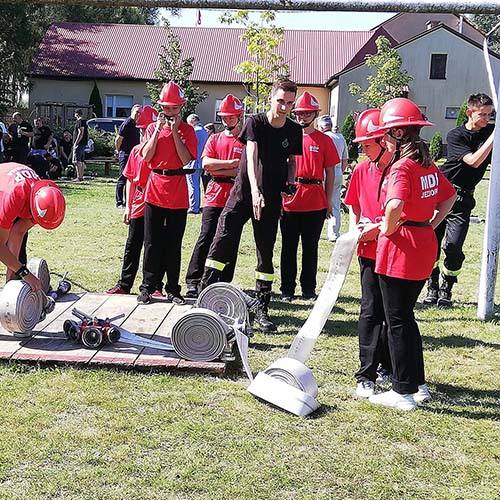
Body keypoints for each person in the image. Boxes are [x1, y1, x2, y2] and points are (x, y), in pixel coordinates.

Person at [367, 98, 456, 411]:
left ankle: (402, 391)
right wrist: (430, 224)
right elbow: (450, 196)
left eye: (387, 134)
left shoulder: (403, 167)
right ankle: (417, 385)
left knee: (397, 321)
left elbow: (393, 206)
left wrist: (386, 231)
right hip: (422, 242)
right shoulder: (427, 163)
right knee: (406, 317)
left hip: (401, 248)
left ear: (398, 135)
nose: (383, 139)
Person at [200, 78, 303, 332]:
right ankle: (204, 302)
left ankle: (262, 309)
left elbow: (292, 161)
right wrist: (256, 192)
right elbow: (252, 157)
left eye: (289, 103)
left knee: (265, 254)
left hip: (271, 200)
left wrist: (290, 181)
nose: (284, 107)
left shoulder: (293, 129)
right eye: (280, 101)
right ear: (271, 98)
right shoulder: (254, 123)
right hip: (243, 195)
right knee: (221, 244)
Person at [425, 93, 495, 307]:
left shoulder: (491, 131)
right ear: (469, 113)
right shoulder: (457, 135)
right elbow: (473, 162)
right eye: (482, 114)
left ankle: (447, 288)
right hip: (442, 194)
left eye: (490, 115)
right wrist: (494, 138)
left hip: (463, 198)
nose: (486, 119)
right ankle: (432, 287)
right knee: (431, 244)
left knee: (454, 247)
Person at [344, 109, 394, 399]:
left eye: (366, 144)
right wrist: (355, 229)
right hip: (369, 251)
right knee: (370, 310)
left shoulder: (401, 169)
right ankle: (366, 374)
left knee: (393, 313)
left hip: (394, 252)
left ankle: (389, 366)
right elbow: (353, 203)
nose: (362, 150)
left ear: (384, 140)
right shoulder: (363, 169)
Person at [136, 81, 197, 305]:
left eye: (174, 108)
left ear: (181, 107)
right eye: (166, 108)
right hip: (155, 189)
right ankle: (148, 287)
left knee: (173, 242)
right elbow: (147, 156)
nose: (169, 112)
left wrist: (173, 134)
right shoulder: (152, 128)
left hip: (177, 188)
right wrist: (156, 133)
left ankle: (173, 288)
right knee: (151, 241)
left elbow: (185, 158)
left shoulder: (188, 131)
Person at [185, 95, 244, 298]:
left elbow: (243, 172)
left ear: (239, 116)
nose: (227, 121)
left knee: (231, 239)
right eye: (224, 117)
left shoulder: (245, 141)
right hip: (214, 195)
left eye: (231, 117)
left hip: (236, 196)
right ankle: (193, 280)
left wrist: (222, 168)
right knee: (206, 235)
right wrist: (230, 164)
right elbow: (207, 165)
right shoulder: (214, 138)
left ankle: (223, 282)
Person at [280, 92, 337, 302]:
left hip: (315, 200)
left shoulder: (325, 141)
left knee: (310, 248)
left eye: (307, 113)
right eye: (300, 114)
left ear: (315, 114)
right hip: (290, 200)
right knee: (288, 248)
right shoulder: (287, 137)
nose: (303, 117)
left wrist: (329, 199)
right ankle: (287, 289)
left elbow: (330, 172)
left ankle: (308, 289)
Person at [106, 105, 163, 296]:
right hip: (139, 201)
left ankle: (155, 286)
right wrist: (128, 207)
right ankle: (124, 284)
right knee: (132, 244)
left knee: (154, 244)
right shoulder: (136, 151)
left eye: (146, 129)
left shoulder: (162, 150)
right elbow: (130, 180)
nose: (143, 134)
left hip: (156, 201)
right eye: (141, 130)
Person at [0, 162, 66, 292]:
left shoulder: (45, 195)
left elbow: (18, 232)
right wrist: (24, 273)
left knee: (17, 261)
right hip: (5, 190)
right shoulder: (13, 198)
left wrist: (11, 282)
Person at [318, 116, 349, 242]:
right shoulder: (340, 137)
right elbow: (345, 159)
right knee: (335, 203)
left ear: (321, 127)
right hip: (337, 172)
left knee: (320, 202)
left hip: (324, 172)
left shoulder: (322, 138)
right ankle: (334, 233)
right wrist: (340, 171)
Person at [115, 104, 141, 208]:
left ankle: (128, 201)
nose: (138, 114)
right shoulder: (127, 123)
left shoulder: (137, 124)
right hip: (125, 154)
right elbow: (118, 139)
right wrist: (119, 151)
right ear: (132, 112)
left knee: (131, 178)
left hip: (134, 155)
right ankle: (119, 202)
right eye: (137, 112)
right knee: (123, 177)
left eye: (140, 112)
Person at [186, 114, 209, 214]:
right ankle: (196, 205)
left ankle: (193, 207)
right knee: (197, 185)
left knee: (192, 185)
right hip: (200, 162)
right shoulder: (204, 131)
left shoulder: (194, 131)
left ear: (192, 121)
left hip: (192, 162)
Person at [72, 109, 88, 182]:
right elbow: (87, 133)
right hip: (84, 143)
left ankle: (79, 177)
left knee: (77, 160)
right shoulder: (85, 122)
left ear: (77, 114)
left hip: (80, 143)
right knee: (81, 160)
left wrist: (76, 142)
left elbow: (80, 132)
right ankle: (81, 176)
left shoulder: (79, 121)